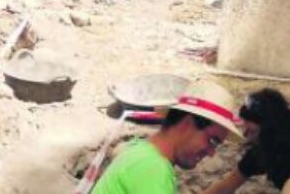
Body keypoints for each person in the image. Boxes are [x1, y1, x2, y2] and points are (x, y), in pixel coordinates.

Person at [92, 79, 238, 194]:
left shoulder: (140, 150)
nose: (212, 153)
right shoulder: (154, 169)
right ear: (187, 124)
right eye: (212, 140)